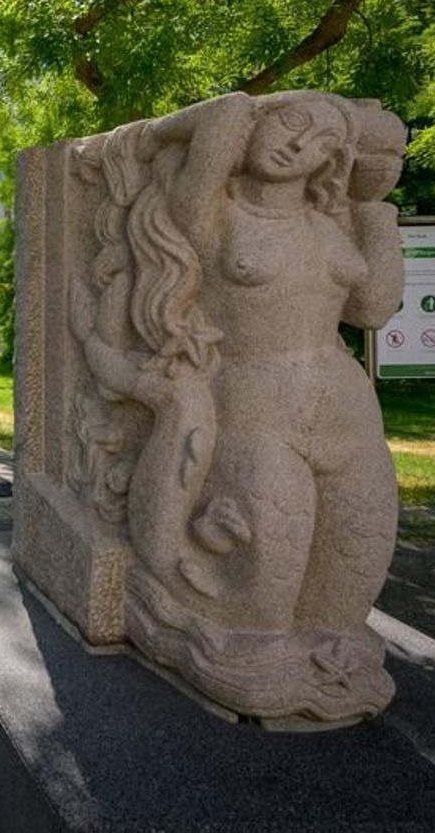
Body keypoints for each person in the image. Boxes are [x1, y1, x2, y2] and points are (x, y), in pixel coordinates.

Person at [75, 91, 404, 720]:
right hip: (255, 410)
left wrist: (375, 210)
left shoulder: (333, 225)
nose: (298, 145)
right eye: (289, 123)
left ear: (331, 164)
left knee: (343, 600)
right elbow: (225, 115)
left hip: (347, 412)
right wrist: (169, 129)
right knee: (261, 600)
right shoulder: (211, 215)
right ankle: (239, 660)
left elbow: (372, 309)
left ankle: (326, 676)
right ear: (259, 123)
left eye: (322, 145)